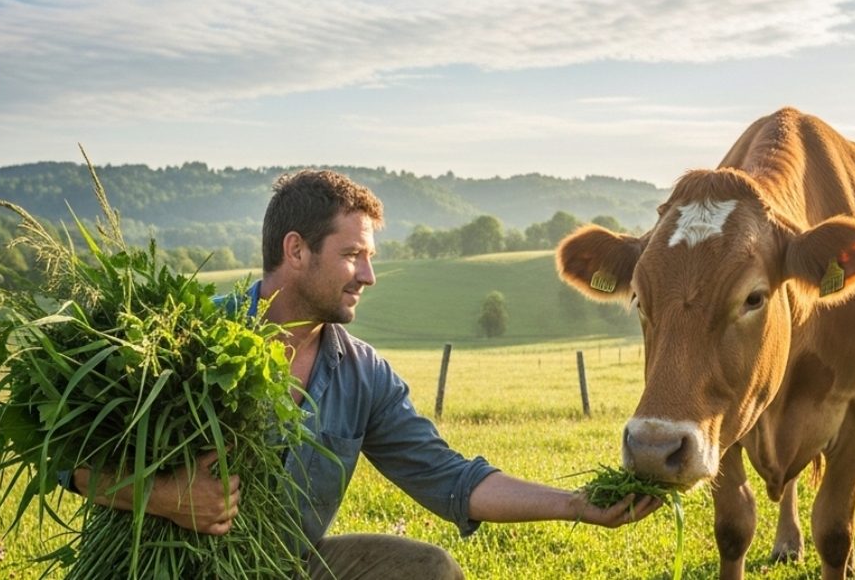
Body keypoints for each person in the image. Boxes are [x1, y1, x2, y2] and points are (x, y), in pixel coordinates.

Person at [68, 169, 661, 578]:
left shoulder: (362, 374)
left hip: (291, 566)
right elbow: (67, 461)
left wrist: (575, 504)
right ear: (296, 250)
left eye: (370, 258)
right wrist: (169, 500)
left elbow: (450, 478)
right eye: (353, 255)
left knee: (429, 571)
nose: (368, 276)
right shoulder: (185, 336)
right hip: (176, 569)